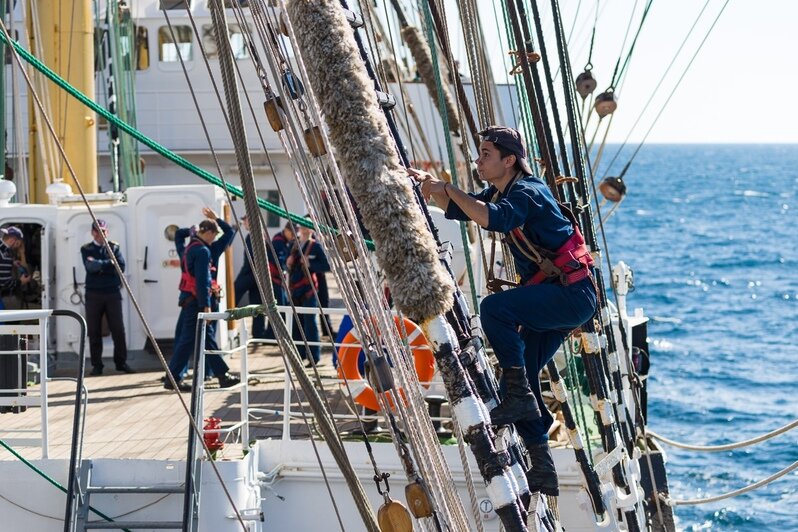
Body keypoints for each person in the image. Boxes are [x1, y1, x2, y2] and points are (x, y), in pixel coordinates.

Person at [413, 125, 597, 496]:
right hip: (562, 296)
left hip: (570, 296)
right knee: (525, 375)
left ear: (509, 160)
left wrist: (448, 189)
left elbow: (494, 218)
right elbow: (467, 210)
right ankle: (542, 467)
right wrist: (430, 187)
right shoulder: (504, 190)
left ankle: (518, 396)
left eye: (485, 155)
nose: (478, 161)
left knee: (494, 309)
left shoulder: (527, 192)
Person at [166, 219, 240, 391]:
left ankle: (222, 375)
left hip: (189, 299)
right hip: (197, 302)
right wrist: (206, 305)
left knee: (206, 338)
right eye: (213, 236)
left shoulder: (187, 249)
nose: (214, 239)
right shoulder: (203, 251)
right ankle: (173, 377)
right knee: (189, 339)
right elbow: (203, 281)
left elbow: (178, 235)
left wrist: (190, 231)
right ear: (209, 233)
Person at [80, 220, 134, 375]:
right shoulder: (86, 249)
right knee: (94, 330)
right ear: (92, 233)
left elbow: (121, 267)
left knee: (118, 329)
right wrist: (109, 264)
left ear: (107, 232)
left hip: (112, 293)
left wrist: (100, 265)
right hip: (94, 293)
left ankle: (121, 362)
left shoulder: (114, 247)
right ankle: (97, 365)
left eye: (103, 232)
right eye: (97, 232)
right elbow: (90, 267)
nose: (100, 235)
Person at [233, 214, 285, 341]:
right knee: (256, 303)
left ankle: (224, 321)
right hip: (258, 276)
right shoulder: (260, 235)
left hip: (250, 274)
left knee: (233, 294)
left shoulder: (252, 236)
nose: (244, 224)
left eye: (245, 221)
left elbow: (252, 260)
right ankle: (258, 332)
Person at [287, 222, 330, 365]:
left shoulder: (315, 246)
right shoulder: (294, 245)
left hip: (309, 291)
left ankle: (314, 357)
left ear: (311, 229)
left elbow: (326, 265)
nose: (304, 230)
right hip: (295, 290)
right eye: (302, 227)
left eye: (307, 227)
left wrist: (311, 265)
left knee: (310, 323)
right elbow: (285, 264)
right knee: (297, 324)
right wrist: (287, 263)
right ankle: (299, 355)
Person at [0, 226, 30, 311]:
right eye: (18, 243)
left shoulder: (3, 250)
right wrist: (21, 281)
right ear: (12, 239)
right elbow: (5, 282)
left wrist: (12, 263)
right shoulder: (5, 256)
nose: (17, 247)